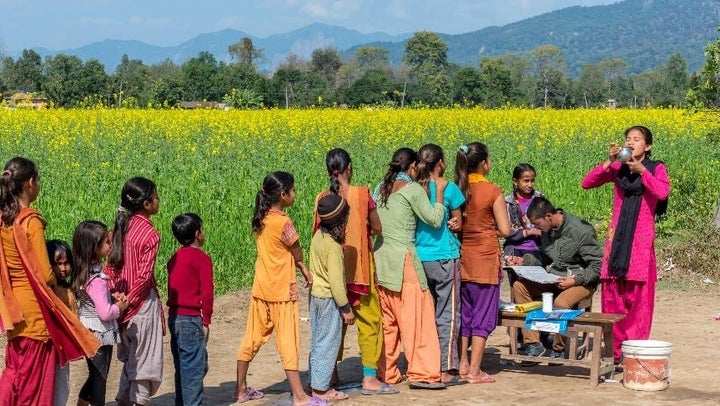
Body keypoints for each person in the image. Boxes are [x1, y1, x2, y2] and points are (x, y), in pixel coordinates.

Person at [0, 157, 100, 405]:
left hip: (14, 310)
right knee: (34, 385)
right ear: (31, 183)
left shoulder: (3, 220)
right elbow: (45, 275)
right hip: (35, 314)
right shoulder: (29, 221)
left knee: (16, 372)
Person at [581, 125, 671, 368]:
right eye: (628, 139)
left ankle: (635, 352)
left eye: (637, 139)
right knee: (613, 299)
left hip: (640, 245)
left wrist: (642, 171)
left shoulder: (655, 168)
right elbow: (586, 183)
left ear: (647, 146)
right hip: (616, 243)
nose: (631, 143)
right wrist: (609, 162)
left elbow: (662, 192)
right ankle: (616, 353)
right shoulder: (618, 170)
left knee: (639, 302)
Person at [235, 171, 322, 406]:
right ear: (283, 195)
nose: (295, 194)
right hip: (283, 290)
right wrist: (303, 266)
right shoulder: (283, 222)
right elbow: (296, 248)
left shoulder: (260, 218)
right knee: (288, 342)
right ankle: (299, 396)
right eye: (292, 190)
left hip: (261, 288)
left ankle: (241, 389)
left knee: (251, 339)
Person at [313, 148, 396, 395]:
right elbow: (378, 227)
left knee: (332, 325)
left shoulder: (322, 197)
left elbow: (318, 232)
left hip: (330, 276)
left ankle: (329, 374)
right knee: (370, 323)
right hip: (359, 271)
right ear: (349, 167)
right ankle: (370, 378)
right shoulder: (362, 194)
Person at [373, 147, 447, 390]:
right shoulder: (413, 190)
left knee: (388, 323)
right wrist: (439, 194)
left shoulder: (379, 189)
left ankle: (388, 372)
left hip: (381, 261)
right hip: (405, 262)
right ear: (413, 166)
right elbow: (434, 219)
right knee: (418, 320)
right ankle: (423, 372)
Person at [505, 197, 602, 359]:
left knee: (561, 303)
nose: (536, 229)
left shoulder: (580, 231)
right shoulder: (546, 231)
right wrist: (523, 260)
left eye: (537, 224)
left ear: (549, 217)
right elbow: (545, 258)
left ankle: (559, 348)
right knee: (519, 287)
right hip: (554, 279)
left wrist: (575, 280)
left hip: (581, 282)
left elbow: (597, 266)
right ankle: (533, 344)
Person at [454, 142, 511, 384]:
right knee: (483, 315)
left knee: (464, 313)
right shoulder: (492, 190)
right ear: (484, 163)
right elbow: (506, 229)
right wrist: (488, 231)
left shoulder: (457, 188)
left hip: (462, 257)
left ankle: (462, 364)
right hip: (486, 259)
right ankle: (476, 369)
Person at [105, 176, 164, 406]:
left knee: (131, 359)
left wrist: (117, 300)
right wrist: (130, 301)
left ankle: (122, 400)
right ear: (147, 204)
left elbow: (109, 268)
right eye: (156, 197)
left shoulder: (119, 228)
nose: (159, 201)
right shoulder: (150, 234)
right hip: (140, 306)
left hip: (119, 304)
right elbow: (143, 275)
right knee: (145, 362)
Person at [413, 144, 466, 385]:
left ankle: (427, 365)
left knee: (426, 315)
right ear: (441, 163)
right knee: (448, 314)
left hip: (420, 258)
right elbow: (458, 219)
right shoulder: (448, 187)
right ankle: (446, 368)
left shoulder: (413, 189)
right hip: (445, 256)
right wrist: (456, 223)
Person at [73, 220, 129, 406]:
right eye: (106, 241)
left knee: (94, 374)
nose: (110, 244)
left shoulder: (82, 271)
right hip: (100, 335)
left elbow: (93, 301)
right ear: (94, 248)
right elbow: (105, 313)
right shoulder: (97, 280)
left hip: (87, 332)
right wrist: (119, 307)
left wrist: (109, 298)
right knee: (100, 379)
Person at [308, 194, 353, 401]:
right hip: (328, 299)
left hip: (315, 297)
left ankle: (314, 382)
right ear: (340, 221)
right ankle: (321, 389)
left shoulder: (318, 236)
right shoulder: (333, 248)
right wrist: (346, 309)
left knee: (318, 340)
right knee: (328, 343)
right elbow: (336, 283)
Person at [167, 213, 214, 406]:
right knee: (194, 372)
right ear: (197, 233)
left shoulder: (175, 257)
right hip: (191, 319)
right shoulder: (201, 259)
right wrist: (206, 320)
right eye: (202, 229)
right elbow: (207, 293)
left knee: (183, 370)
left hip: (174, 318)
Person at [47, 239, 77, 406]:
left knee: (61, 387)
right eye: (58, 263)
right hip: (49, 347)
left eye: (67, 263)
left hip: (62, 350)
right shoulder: (46, 291)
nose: (64, 268)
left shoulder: (67, 291)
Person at [503, 163, 543, 259]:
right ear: (515, 181)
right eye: (526, 181)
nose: (530, 184)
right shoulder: (508, 203)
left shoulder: (540, 199)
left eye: (532, 181)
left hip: (537, 249)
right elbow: (506, 231)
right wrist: (529, 232)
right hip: (515, 249)